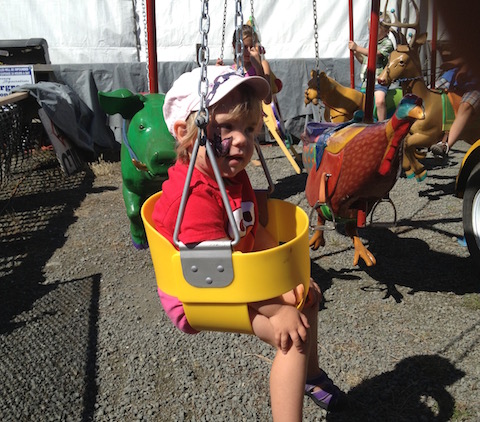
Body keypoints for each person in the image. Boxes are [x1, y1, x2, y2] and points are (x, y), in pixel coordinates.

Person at [152, 65, 345, 421]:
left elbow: (254, 232)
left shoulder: (233, 176)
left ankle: (310, 376)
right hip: (198, 288)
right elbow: (214, 271)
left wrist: (287, 283)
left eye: (249, 129)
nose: (241, 139)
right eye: (225, 127)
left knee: (307, 296)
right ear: (184, 132)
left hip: (235, 271)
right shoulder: (193, 196)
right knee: (292, 334)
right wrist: (275, 305)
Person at [216, 23, 281, 104]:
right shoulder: (231, 70)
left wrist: (258, 68)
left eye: (251, 47)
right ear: (234, 46)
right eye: (244, 47)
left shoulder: (263, 65)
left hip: (254, 114)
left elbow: (267, 99)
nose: (248, 51)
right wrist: (219, 73)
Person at [430, 57, 480, 158]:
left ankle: (445, 144)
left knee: (466, 106)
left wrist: (463, 67)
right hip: (452, 77)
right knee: (429, 92)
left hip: (475, 85)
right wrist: (454, 63)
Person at [348, 14, 394, 121]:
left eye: (375, 29)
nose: (371, 32)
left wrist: (357, 48)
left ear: (386, 31)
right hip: (366, 81)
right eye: (370, 29)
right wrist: (356, 53)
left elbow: (376, 54)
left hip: (379, 82)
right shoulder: (372, 43)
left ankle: (382, 124)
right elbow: (364, 61)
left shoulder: (387, 43)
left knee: (379, 101)